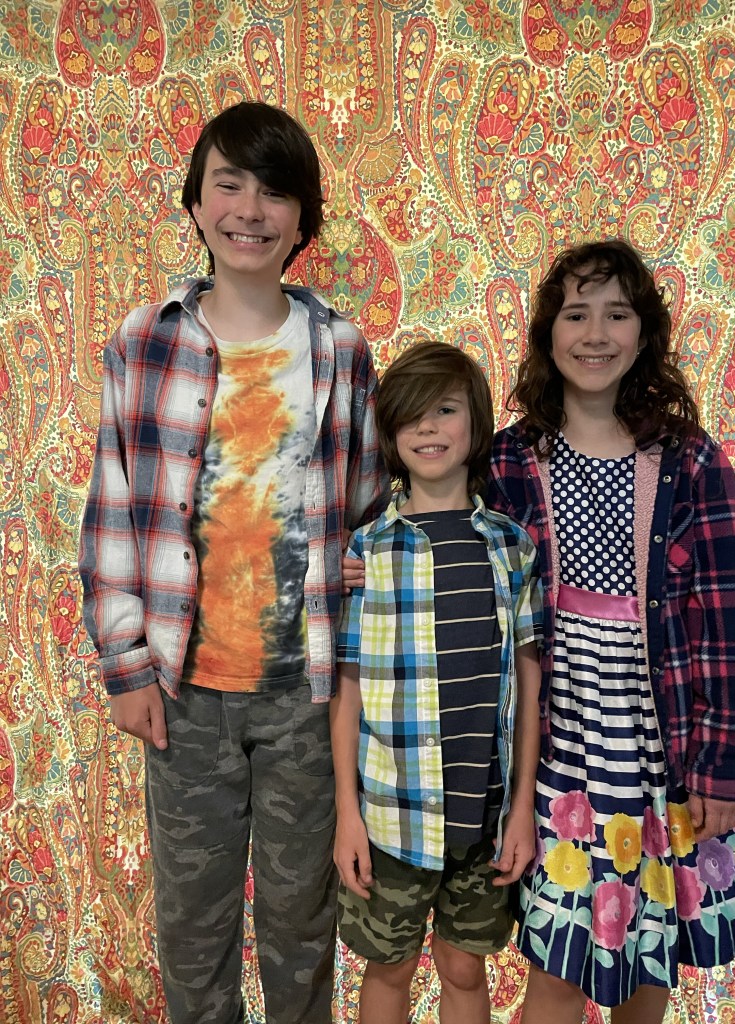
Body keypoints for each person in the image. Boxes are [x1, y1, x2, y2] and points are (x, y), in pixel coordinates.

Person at [78, 101, 389, 1024]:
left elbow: (368, 511)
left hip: (308, 701)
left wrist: (366, 617)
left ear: (302, 220)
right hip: (183, 696)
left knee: (302, 928)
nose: (250, 209)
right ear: (197, 202)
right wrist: (126, 664)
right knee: (192, 931)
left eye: (275, 192)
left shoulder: (340, 350)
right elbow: (113, 511)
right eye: (230, 184)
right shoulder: (144, 342)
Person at [486, 239, 735, 1023]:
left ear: (645, 333)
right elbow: (445, 545)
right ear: (548, 333)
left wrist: (722, 762)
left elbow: (730, 617)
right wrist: (369, 560)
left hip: (659, 747)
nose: (596, 334)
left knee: (647, 959)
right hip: (558, 745)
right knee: (556, 966)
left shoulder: (691, 461)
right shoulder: (508, 460)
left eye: (617, 315)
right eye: (576, 315)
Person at [331, 341, 543, 1024]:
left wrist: (521, 806)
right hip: (390, 817)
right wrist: (347, 815)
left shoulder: (510, 547)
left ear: (476, 425)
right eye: (411, 416)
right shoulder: (368, 551)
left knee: (463, 967)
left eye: (446, 410)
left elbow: (529, 686)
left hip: (484, 816)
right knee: (389, 968)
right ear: (391, 434)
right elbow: (348, 690)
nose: (428, 427)